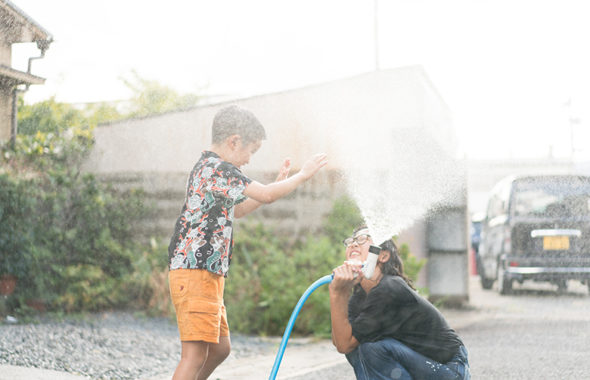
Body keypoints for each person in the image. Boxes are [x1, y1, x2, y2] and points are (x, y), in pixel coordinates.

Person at [167, 105, 328, 380]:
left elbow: (239, 209)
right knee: (193, 356)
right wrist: (302, 176)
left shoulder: (210, 169)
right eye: (250, 151)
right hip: (196, 273)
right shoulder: (217, 168)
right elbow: (265, 195)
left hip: (207, 275)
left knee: (219, 349)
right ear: (234, 141)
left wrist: (278, 183)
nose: (249, 160)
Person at [330, 226, 471, 380]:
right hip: (422, 366)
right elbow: (340, 342)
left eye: (363, 239)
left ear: (383, 256)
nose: (354, 244)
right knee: (357, 346)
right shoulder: (360, 296)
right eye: (352, 241)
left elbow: (344, 344)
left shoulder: (390, 288)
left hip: (450, 369)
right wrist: (341, 293)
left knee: (371, 348)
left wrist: (338, 293)